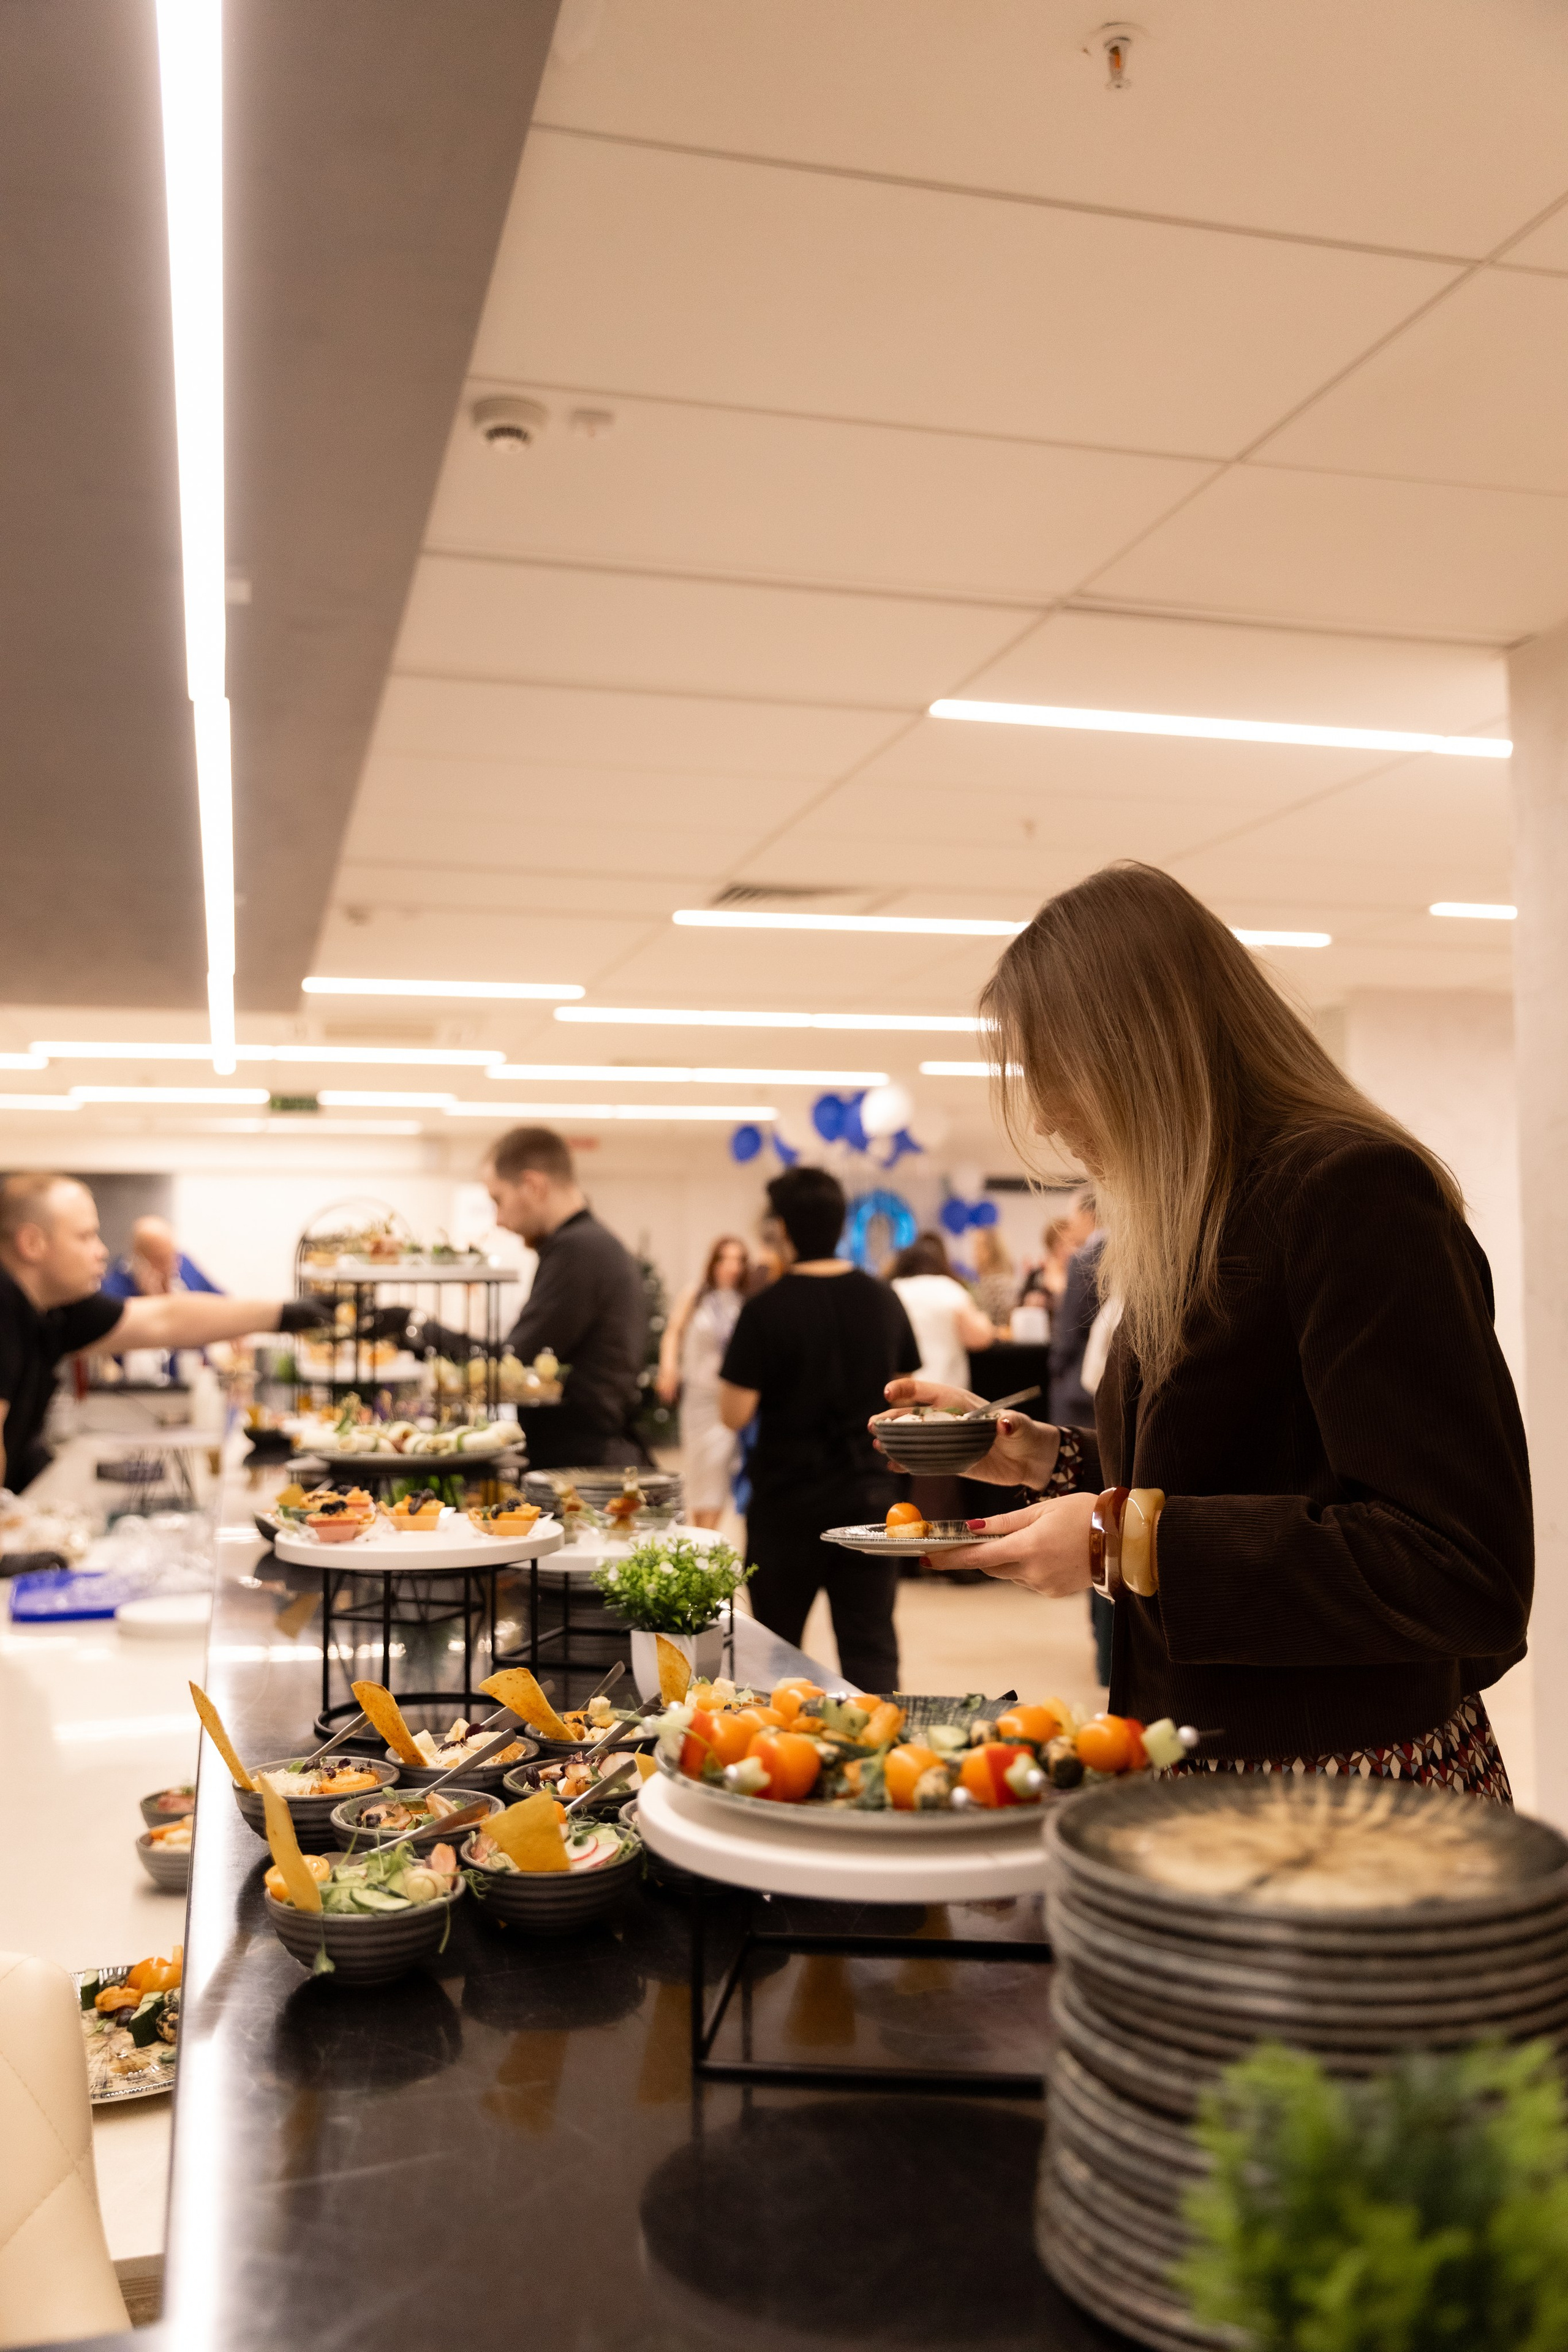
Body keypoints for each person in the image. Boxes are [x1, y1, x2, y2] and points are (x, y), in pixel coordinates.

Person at [875, 862, 1531, 1800]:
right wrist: (1044, 1458)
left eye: (1056, 1072)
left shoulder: (1352, 1193)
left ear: (1139, 1050)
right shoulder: (1193, 1212)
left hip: (1346, 1798)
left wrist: (1119, 1542)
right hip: (1205, 1771)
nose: (1049, 1116)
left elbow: (1458, 1564)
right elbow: (1239, 1466)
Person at [719, 1166, 919, 1691]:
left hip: (787, 1501)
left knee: (775, 1650)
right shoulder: (882, 1299)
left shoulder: (765, 1309)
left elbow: (734, 1413)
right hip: (870, 1497)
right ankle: (882, 1739)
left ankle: (780, 1743)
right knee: (870, 1645)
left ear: (782, 1229)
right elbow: (905, 1395)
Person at [0, 1172, 328, 1492]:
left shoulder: (56, 1309)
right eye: (85, 1237)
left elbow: (165, 1319)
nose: (101, 1251)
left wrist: (290, 1314)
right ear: (32, 1243)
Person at [379, 1126, 647, 1469]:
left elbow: (514, 1363)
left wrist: (415, 1327)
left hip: (582, 1465)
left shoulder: (578, 1250)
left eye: (498, 1200)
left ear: (533, 1186)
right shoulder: (591, 1245)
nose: (499, 1221)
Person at [657, 1235, 750, 1528]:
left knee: (719, 1470)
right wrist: (669, 1368)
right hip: (697, 1397)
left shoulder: (745, 1301)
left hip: (727, 1398)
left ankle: (709, 1533)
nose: (732, 1267)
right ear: (714, 1263)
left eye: (739, 1260)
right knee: (698, 1471)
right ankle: (699, 1532)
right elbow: (673, 1331)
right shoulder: (696, 1295)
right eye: (726, 1259)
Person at [888, 1232, 995, 1388]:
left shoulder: (893, 1290)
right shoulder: (948, 1289)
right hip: (946, 1388)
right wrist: (984, 1319)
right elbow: (980, 1337)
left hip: (900, 1390)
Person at [1046, 1191, 1104, 1428]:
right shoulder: (1126, 1254)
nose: (1071, 1225)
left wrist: (1056, 1366)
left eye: (1073, 1216)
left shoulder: (1084, 1259)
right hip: (1113, 1376)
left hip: (1079, 1377)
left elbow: (1071, 1325)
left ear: (1088, 1214)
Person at [100, 1216, 222, 1305]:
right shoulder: (114, 1293)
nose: (174, 1265)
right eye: (162, 1259)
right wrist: (153, 1302)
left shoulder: (183, 1262)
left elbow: (220, 1299)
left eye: (174, 1255)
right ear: (139, 1261)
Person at [971, 1226, 1016, 1332]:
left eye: (978, 1247)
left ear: (991, 1251)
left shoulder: (996, 1285)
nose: (975, 1253)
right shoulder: (1003, 1282)